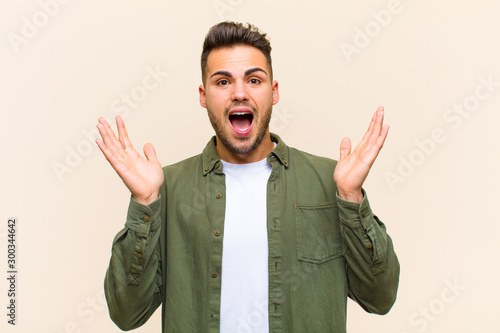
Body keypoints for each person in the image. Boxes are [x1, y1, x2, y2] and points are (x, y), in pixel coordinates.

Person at [97, 21, 399, 333]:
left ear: (274, 91)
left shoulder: (330, 183)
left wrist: (351, 198)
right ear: (203, 95)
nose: (239, 93)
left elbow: (381, 297)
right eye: (223, 82)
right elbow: (126, 314)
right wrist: (145, 203)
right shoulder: (168, 190)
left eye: (254, 80)